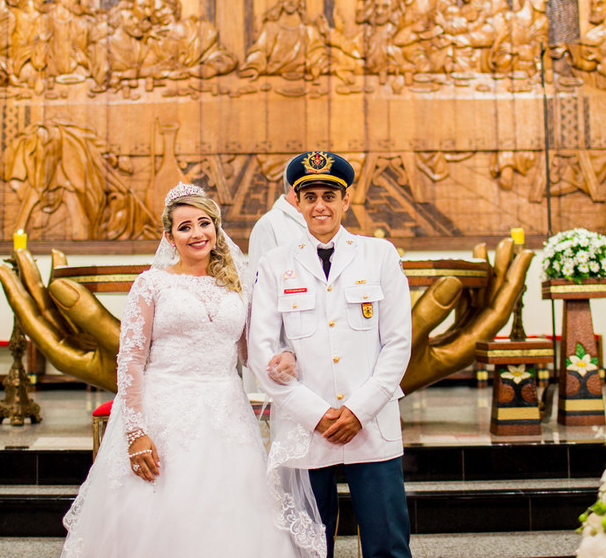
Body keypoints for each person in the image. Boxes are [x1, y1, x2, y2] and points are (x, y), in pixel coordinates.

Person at [59, 183, 325, 558]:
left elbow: (251, 352)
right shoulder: (151, 284)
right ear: (169, 237)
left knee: (232, 513)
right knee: (162, 513)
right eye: (185, 227)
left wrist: (284, 358)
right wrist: (135, 432)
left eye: (204, 223)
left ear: (216, 228)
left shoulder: (237, 286)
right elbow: (131, 360)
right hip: (165, 412)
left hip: (227, 413)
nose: (197, 233)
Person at [248, 151, 413, 558]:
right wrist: (317, 414)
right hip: (306, 427)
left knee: (388, 544)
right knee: (309, 548)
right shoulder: (275, 264)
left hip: (371, 423)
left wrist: (358, 410)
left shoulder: (380, 255)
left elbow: (397, 343)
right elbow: (261, 350)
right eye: (310, 197)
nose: (319, 206)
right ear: (295, 201)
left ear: (346, 200)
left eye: (329, 196)